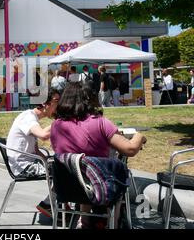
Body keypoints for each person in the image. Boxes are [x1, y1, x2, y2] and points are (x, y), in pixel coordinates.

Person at [50, 81, 147, 228]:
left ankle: (84, 220)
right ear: (90, 99)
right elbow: (130, 150)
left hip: (67, 188)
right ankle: (112, 222)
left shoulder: (56, 125)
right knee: (111, 172)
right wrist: (139, 136)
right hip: (100, 186)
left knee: (83, 167)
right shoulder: (100, 123)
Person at [6, 89, 62, 218]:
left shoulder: (32, 119)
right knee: (64, 171)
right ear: (44, 103)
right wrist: (60, 121)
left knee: (61, 166)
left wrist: (48, 160)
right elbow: (43, 135)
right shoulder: (28, 118)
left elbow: (35, 151)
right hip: (23, 167)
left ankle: (56, 203)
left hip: (29, 162)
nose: (59, 105)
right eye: (56, 101)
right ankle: (50, 204)